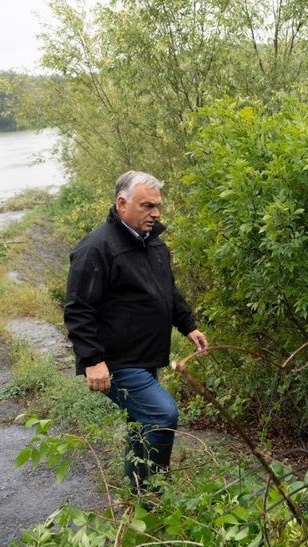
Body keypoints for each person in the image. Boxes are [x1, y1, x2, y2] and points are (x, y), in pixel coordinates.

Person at [64, 171, 208, 492]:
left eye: (157, 206)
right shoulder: (96, 248)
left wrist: (188, 326)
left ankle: (138, 495)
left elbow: (167, 291)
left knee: (141, 425)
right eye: (147, 206)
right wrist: (92, 360)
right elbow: (78, 308)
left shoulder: (154, 245)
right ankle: (155, 491)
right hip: (117, 362)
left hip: (144, 357)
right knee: (162, 414)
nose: (155, 213)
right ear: (122, 204)